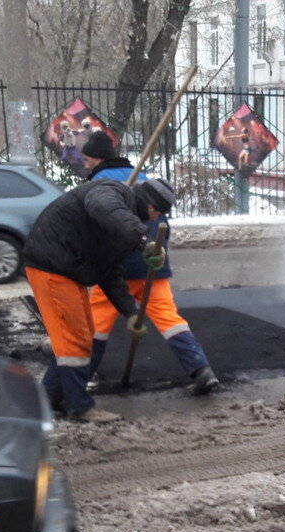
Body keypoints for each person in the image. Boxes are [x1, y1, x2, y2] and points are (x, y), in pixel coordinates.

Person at [79, 131, 219, 396]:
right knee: (169, 318)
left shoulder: (99, 183)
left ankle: (83, 377)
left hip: (116, 269)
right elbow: (159, 224)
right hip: (153, 266)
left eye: (87, 159)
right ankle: (201, 370)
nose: (85, 164)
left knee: (96, 322)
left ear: (98, 159)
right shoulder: (141, 178)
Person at [23, 174, 168, 422]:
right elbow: (102, 206)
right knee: (74, 339)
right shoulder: (112, 192)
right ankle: (79, 406)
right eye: (158, 214)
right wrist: (144, 241)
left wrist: (130, 313)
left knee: (80, 336)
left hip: (68, 269)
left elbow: (109, 271)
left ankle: (48, 398)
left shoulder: (121, 226)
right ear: (152, 207)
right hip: (52, 265)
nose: (156, 220)